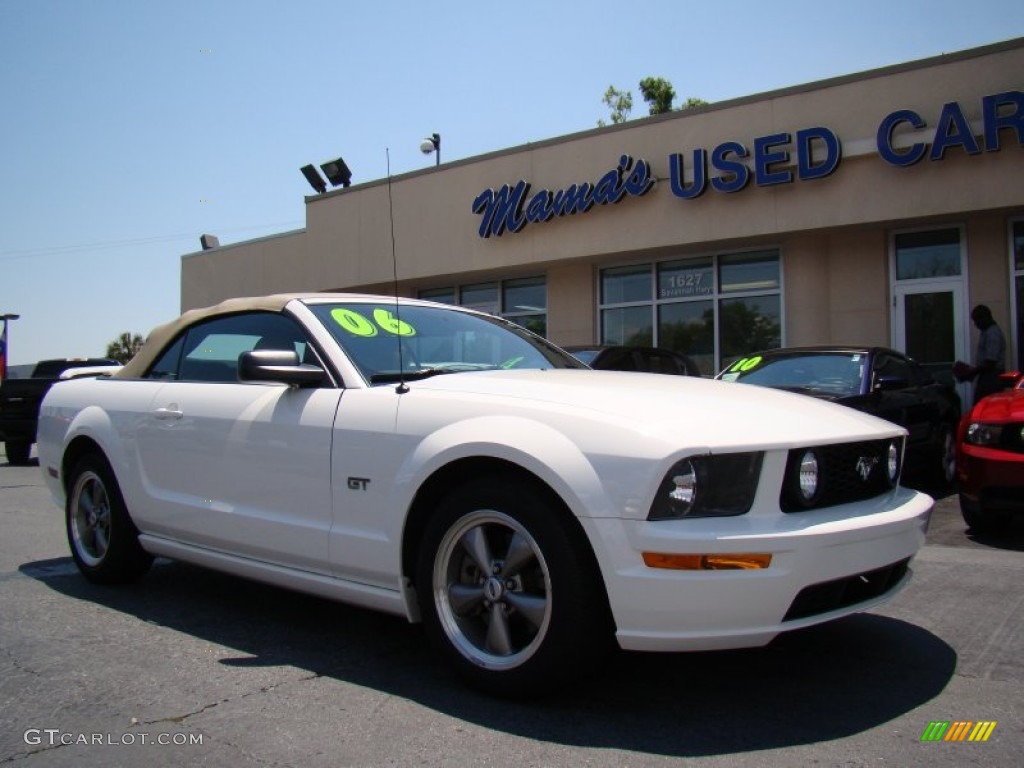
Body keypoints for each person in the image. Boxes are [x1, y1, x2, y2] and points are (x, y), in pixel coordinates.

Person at [954, 304, 1006, 404]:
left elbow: (990, 362)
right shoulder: (986, 332)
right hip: (988, 376)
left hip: (992, 378)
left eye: (976, 321)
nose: (975, 324)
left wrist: (970, 372)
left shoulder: (993, 333)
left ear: (984, 318)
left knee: (983, 406)